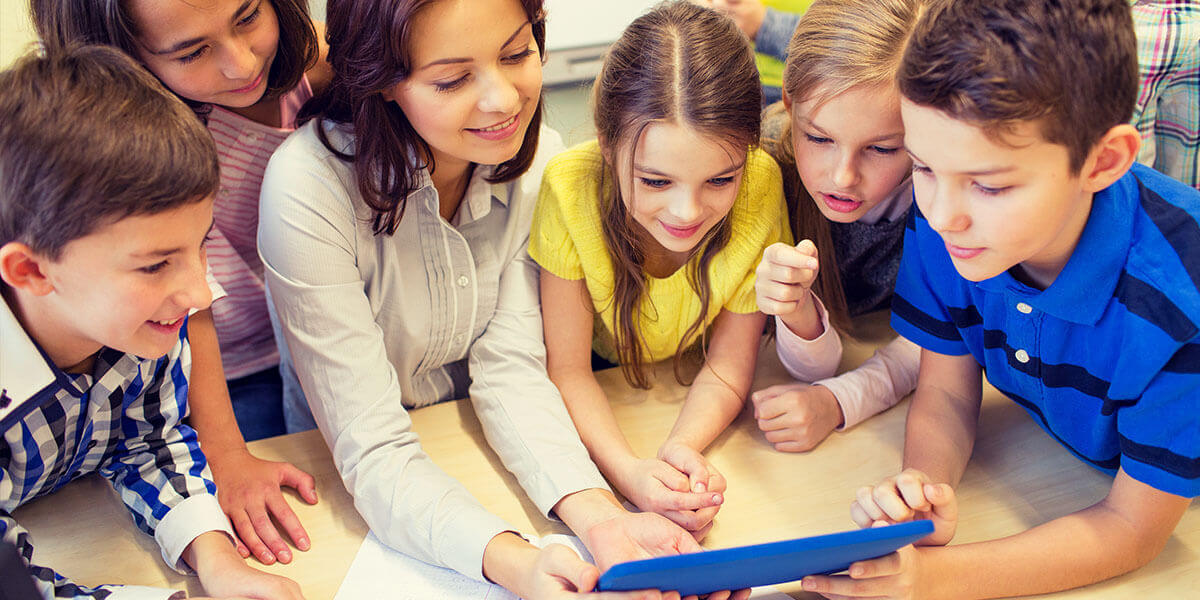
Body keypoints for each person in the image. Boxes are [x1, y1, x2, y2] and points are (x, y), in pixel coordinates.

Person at [258, 0, 704, 597]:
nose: (503, 100)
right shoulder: (307, 189)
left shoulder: (538, 160)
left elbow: (512, 368)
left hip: (482, 447)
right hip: (347, 487)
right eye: (452, 79)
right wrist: (518, 562)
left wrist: (602, 520)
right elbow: (373, 448)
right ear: (382, 80)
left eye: (518, 53)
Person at [802, 0, 1200, 597]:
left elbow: (1132, 531)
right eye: (924, 167)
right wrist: (923, 489)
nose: (941, 215)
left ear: (1105, 161)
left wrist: (932, 580)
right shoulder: (953, 227)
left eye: (990, 185)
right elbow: (943, 391)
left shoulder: (1179, 299)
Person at [30, 0, 333, 567]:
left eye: (247, 17)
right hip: (209, 373)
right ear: (122, 53)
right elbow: (193, 303)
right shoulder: (133, 147)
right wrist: (225, 452)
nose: (242, 64)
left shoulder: (315, 62)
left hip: (314, 334)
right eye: (192, 51)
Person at [531, 0, 789, 541]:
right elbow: (570, 372)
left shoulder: (762, 181)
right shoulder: (567, 186)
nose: (687, 212)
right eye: (655, 182)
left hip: (687, 390)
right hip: (606, 395)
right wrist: (629, 474)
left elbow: (727, 363)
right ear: (607, 146)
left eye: (720, 180)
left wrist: (681, 450)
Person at [749, 0, 926, 453]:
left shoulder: (940, 192)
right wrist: (796, 309)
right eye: (820, 138)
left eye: (883, 148)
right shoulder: (760, 173)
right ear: (788, 102)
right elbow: (811, 368)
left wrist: (837, 401)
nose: (843, 176)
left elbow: (936, 343)